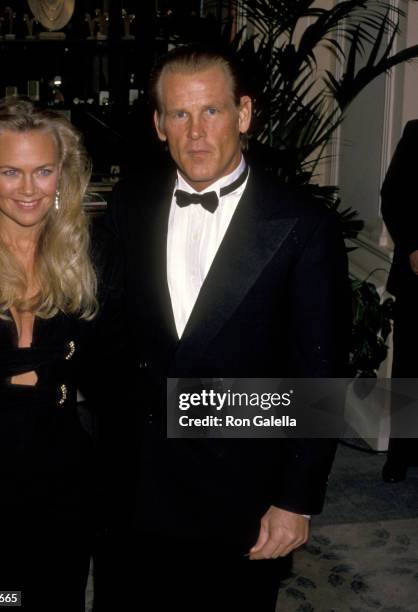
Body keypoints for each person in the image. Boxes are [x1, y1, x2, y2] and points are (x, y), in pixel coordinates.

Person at [93, 45, 349, 608]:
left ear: (245, 114)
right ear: (159, 125)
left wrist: (295, 499)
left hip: (242, 492)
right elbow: (103, 335)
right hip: (137, 488)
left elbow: (321, 372)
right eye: (179, 115)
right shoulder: (129, 205)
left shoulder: (304, 226)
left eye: (211, 111)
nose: (196, 132)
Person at [0, 97, 97, 611]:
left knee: (55, 592)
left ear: (63, 174)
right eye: (11, 171)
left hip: (60, 466)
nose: (29, 189)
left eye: (44, 171)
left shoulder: (85, 255)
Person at [381, 120, 418, 482]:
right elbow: (392, 195)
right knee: (410, 367)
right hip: (417, 277)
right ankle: (400, 456)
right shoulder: (417, 132)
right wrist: (411, 246)